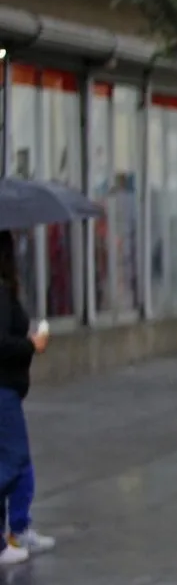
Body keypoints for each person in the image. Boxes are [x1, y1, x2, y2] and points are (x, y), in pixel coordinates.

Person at [0, 232, 50, 565]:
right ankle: (11, 535)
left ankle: (17, 528)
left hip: (8, 388)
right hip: (3, 388)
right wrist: (34, 344)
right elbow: (2, 344)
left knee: (18, 460)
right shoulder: (1, 294)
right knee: (13, 461)